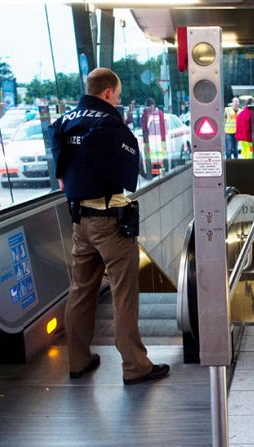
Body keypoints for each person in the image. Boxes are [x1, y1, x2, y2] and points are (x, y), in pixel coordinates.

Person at [49, 67, 169, 385]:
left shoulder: (63, 123)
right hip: (110, 222)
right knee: (123, 294)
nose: (117, 100)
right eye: (116, 94)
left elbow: (62, 173)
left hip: (80, 221)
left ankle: (78, 360)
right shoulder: (108, 123)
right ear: (107, 93)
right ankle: (134, 366)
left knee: (80, 291)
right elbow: (125, 177)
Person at [140, 98, 166, 177]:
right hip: (159, 141)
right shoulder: (160, 114)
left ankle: (151, 176)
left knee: (150, 160)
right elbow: (163, 129)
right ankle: (161, 175)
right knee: (160, 160)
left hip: (149, 142)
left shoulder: (145, 115)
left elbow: (144, 128)